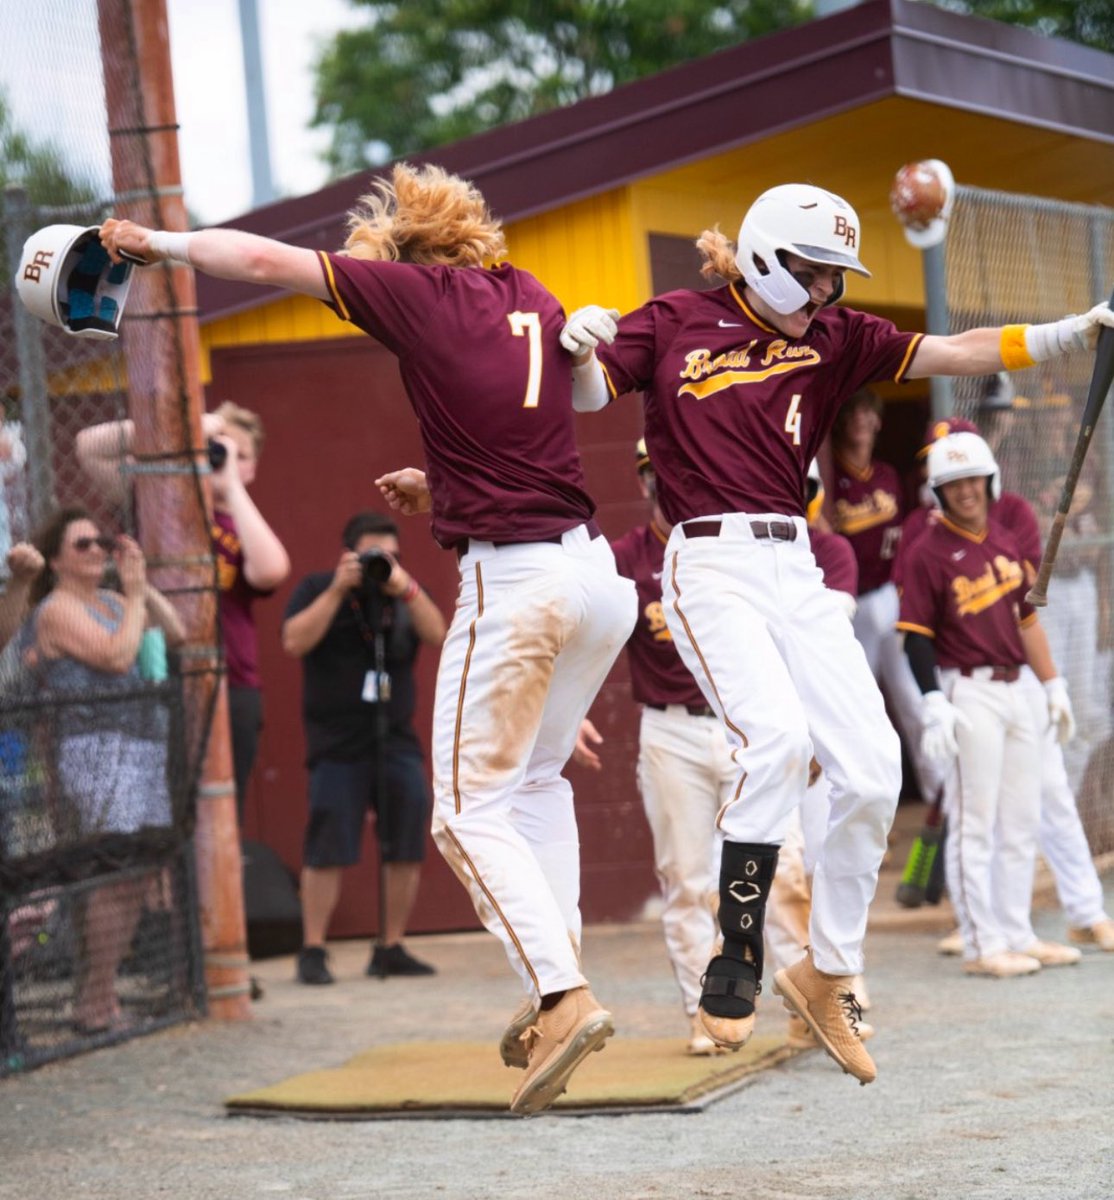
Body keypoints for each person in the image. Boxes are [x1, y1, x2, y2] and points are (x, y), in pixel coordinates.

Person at [100, 161, 637, 1116]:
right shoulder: (529, 291)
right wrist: (448, 487)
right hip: (595, 576)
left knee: (464, 813)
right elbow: (570, 412)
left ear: (406, 255)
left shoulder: (417, 293)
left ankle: (562, 996)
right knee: (537, 785)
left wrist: (159, 245)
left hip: (518, 582)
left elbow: (262, 261)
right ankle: (555, 980)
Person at [560, 181, 1114, 1084]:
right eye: (814, 272)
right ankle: (737, 955)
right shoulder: (674, 319)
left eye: (835, 277)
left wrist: (1063, 334)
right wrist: (581, 348)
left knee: (874, 767)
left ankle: (829, 969)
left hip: (796, 560)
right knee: (777, 741)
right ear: (764, 255)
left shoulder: (836, 335)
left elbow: (956, 349)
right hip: (709, 559)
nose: (826, 291)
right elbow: (589, 396)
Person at [901, 414, 1114, 955]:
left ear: (989, 478)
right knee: (977, 818)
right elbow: (916, 633)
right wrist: (932, 698)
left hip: (1019, 683)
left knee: (1026, 814)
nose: (965, 490)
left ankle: (1019, 930)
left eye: (972, 478)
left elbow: (1026, 616)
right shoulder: (926, 545)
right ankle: (981, 935)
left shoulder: (1005, 529)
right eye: (953, 481)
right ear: (938, 487)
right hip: (967, 685)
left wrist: (1053, 684)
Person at [75, 406, 291, 824]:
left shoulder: (241, 521)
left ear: (252, 468)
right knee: (163, 811)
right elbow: (89, 447)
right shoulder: (156, 500)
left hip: (231, 680)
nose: (222, 457)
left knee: (221, 813)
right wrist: (191, 428)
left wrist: (230, 485)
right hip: (157, 672)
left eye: (240, 454)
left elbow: (270, 571)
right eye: (214, 449)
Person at [28, 508, 185, 1031]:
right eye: (83, 544)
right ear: (56, 560)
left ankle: (105, 996)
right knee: (113, 871)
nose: (97, 550)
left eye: (102, 542)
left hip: (141, 745)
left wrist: (141, 584)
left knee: (135, 872)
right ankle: (94, 1001)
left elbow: (176, 633)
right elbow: (117, 657)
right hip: (96, 749)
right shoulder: (57, 609)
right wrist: (134, 599)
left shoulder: (116, 601)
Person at [282, 511, 447, 984]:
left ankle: (390, 946)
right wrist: (339, 589)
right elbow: (293, 641)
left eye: (392, 555)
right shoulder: (318, 588)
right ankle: (313, 949)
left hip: (396, 739)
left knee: (407, 835)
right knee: (328, 841)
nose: (383, 563)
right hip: (336, 742)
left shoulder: (404, 592)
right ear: (348, 554)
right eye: (373, 555)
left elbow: (438, 633)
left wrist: (405, 586)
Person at [830, 388, 944, 806]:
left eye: (868, 412)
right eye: (853, 413)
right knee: (855, 707)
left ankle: (942, 803)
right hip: (849, 606)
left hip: (888, 598)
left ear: (879, 421)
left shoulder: (887, 475)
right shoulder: (831, 476)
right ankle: (864, 806)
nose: (861, 420)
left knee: (914, 701)